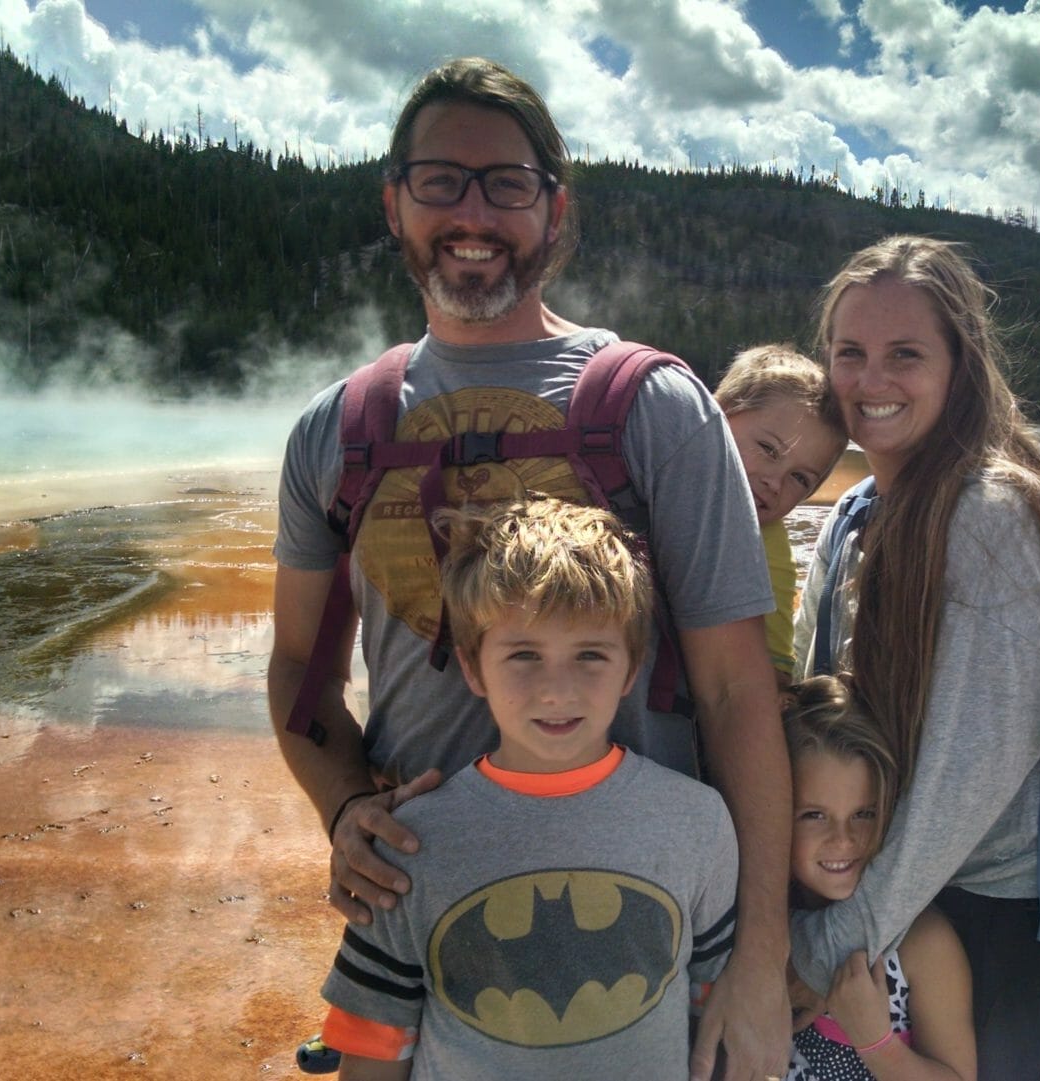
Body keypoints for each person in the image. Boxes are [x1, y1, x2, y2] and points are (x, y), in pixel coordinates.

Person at [267, 58, 789, 1081]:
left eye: (506, 183)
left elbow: (736, 690)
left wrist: (761, 953)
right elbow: (299, 671)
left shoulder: (656, 407)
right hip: (430, 912)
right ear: (394, 202)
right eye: (440, 181)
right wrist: (343, 806)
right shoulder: (334, 431)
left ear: (555, 210)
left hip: (643, 921)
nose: (472, 213)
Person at [788, 235, 1040, 1078]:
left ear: (961, 365)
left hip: (1021, 926)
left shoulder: (992, 520)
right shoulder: (855, 515)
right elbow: (815, 723)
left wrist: (818, 951)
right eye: (850, 352)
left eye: (905, 354)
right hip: (897, 905)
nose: (871, 379)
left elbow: (954, 786)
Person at [314, 498, 738, 1079]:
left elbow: (712, 1004)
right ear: (473, 667)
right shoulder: (411, 844)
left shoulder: (697, 822)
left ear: (631, 667)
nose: (556, 689)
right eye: (524, 655)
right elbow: (375, 1043)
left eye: (590, 654)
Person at [781, 675, 976, 1080]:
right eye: (814, 815)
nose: (843, 839)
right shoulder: (762, 926)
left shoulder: (923, 942)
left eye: (864, 814)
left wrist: (876, 1044)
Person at [713, 345, 849, 685]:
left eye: (800, 478)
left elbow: (774, 672)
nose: (775, 483)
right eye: (768, 449)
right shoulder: (648, 476)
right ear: (717, 413)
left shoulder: (768, 550)